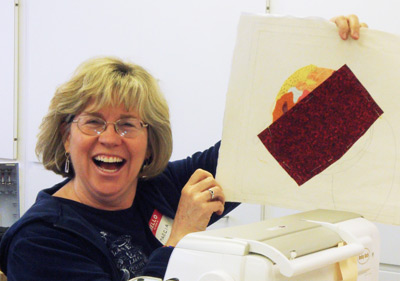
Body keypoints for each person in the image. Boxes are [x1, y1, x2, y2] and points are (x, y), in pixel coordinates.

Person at [0, 15, 366, 281]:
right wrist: (182, 240)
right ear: (66, 136)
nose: (110, 138)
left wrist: (334, 62)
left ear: (150, 141)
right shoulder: (40, 241)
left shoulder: (160, 188)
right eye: (93, 121)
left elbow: (270, 151)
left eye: (128, 124)